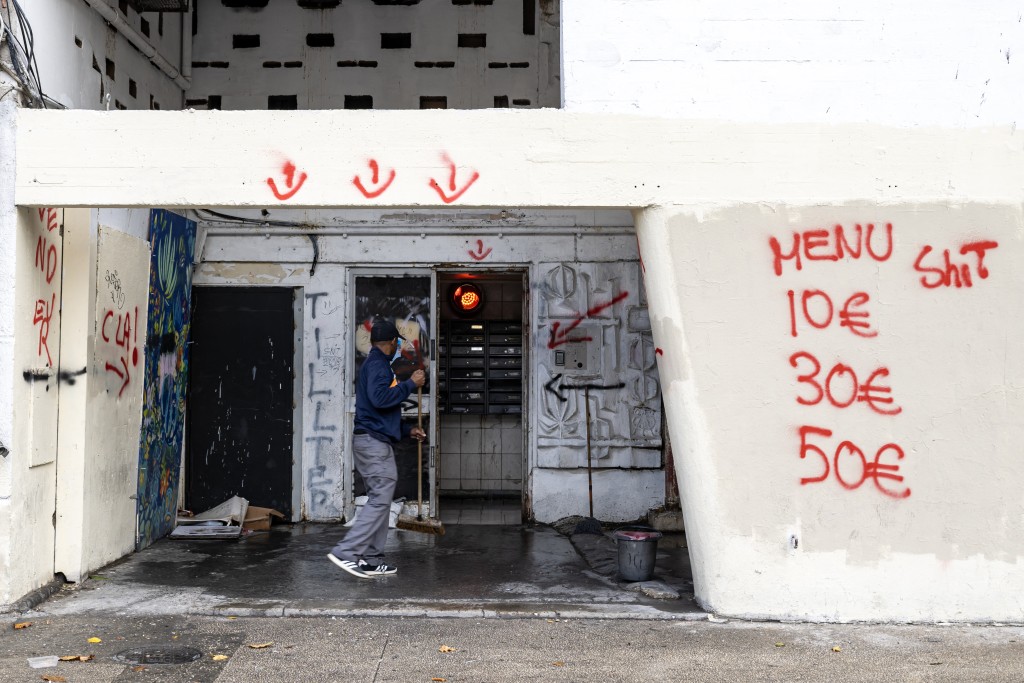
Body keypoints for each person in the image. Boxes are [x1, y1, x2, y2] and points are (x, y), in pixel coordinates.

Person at [328, 319, 426, 578]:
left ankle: (371, 558)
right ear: (393, 343)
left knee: (380, 499)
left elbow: (378, 410)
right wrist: (410, 384)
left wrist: (407, 430)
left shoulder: (377, 365)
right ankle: (347, 552)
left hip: (373, 440)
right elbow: (380, 400)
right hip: (372, 443)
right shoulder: (378, 366)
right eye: (397, 343)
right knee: (381, 497)